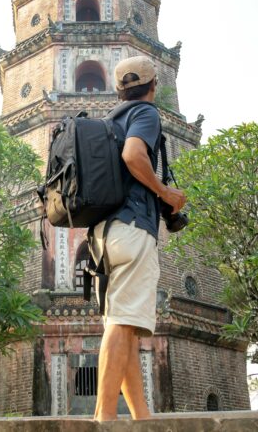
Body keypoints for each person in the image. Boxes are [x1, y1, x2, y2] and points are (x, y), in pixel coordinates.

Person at [92, 55, 186, 421]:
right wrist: (165, 192)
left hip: (103, 234)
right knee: (122, 324)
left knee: (124, 325)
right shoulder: (145, 114)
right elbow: (134, 155)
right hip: (132, 228)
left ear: (118, 90)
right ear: (153, 87)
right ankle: (103, 418)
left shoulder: (109, 121)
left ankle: (142, 417)